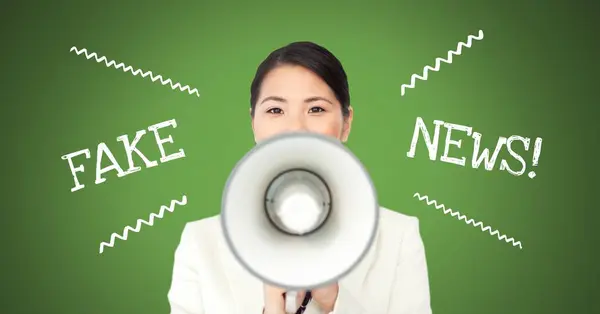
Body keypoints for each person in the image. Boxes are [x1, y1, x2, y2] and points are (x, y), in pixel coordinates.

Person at [167, 41, 432, 314]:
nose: (295, 128)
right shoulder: (201, 243)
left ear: (346, 123)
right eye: (275, 110)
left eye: (316, 109)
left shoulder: (398, 238)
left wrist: (335, 302)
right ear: (253, 123)